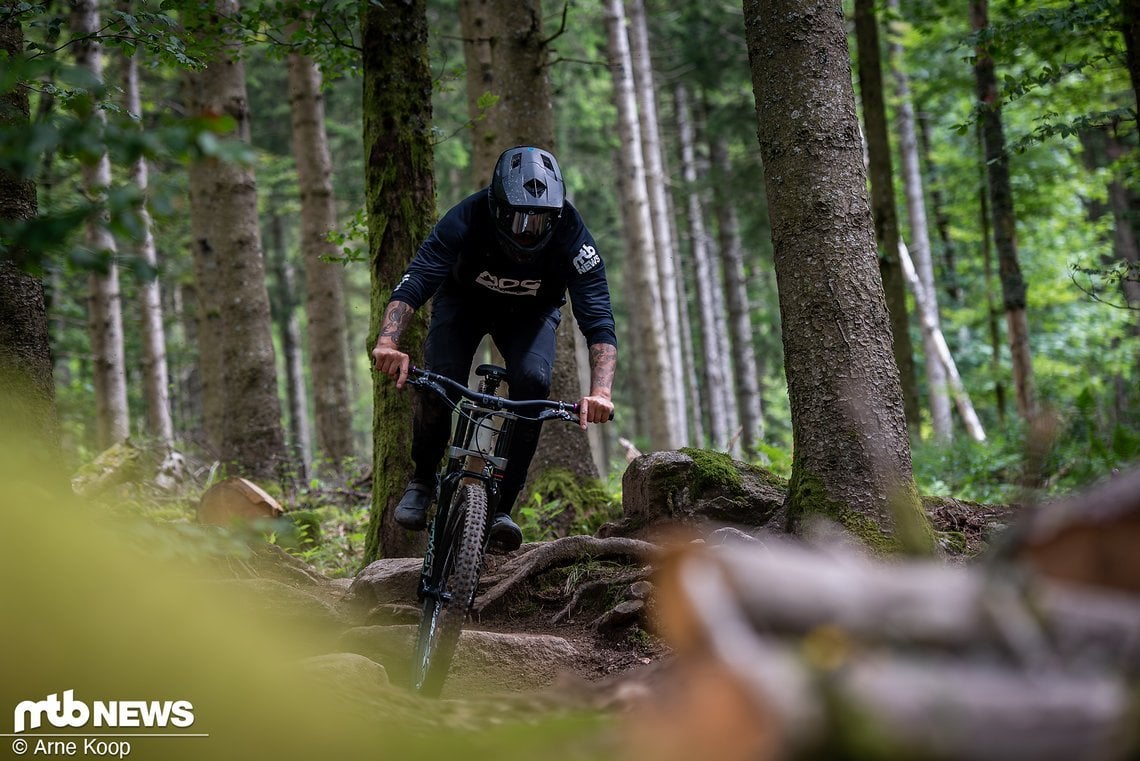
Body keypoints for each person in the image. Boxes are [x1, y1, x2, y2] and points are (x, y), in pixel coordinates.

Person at [371, 146, 618, 552]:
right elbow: (416, 280)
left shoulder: (573, 233)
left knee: (534, 385)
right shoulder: (466, 217)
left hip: (531, 315)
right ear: (498, 206)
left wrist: (601, 393)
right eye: (519, 218)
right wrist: (387, 342)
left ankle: (501, 507)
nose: (528, 230)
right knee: (438, 382)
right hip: (463, 303)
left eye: (540, 221)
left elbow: (599, 319)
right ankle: (422, 479)